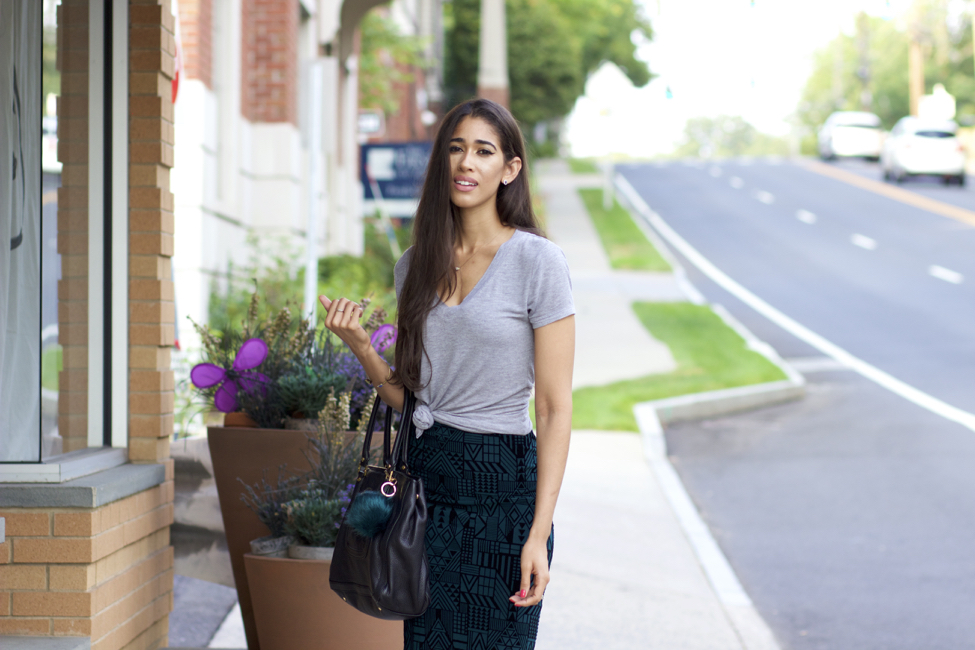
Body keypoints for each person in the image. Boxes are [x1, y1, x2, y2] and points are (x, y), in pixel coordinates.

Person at [319, 98, 575, 650]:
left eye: (484, 151)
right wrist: (362, 347)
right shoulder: (414, 264)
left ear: (509, 169)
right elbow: (409, 398)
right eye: (456, 148)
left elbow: (554, 409)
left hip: (502, 490)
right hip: (427, 485)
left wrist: (538, 534)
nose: (466, 162)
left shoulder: (539, 263)